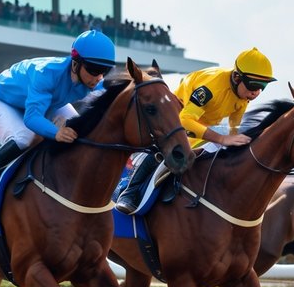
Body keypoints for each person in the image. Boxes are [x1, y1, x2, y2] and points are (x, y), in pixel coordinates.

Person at [0, 28, 117, 208]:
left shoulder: (93, 80)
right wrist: (56, 132)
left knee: (80, 134)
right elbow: (32, 118)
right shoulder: (46, 73)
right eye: (94, 69)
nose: (98, 77)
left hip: (46, 103)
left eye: (104, 71)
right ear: (75, 64)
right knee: (24, 138)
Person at [115, 46, 275, 213]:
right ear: (236, 77)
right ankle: (130, 192)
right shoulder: (211, 88)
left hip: (202, 122)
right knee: (167, 150)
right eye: (253, 84)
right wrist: (221, 139)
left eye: (263, 86)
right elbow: (185, 120)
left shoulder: (243, 93)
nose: (256, 91)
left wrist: (235, 141)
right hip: (178, 114)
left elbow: (234, 122)